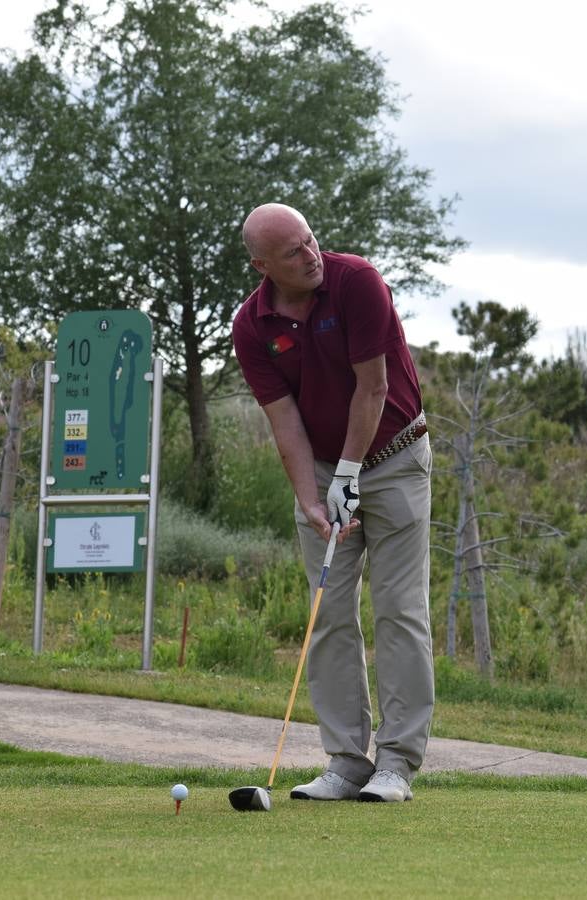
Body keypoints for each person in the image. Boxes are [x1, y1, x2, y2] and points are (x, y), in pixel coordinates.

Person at [231, 203, 434, 803]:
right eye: (293, 252)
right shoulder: (252, 325)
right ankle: (346, 762)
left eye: (311, 240)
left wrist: (349, 473)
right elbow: (283, 420)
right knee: (329, 615)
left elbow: (372, 387)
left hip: (395, 457)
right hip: (322, 470)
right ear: (262, 265)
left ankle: (396, 763)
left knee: (399, 610)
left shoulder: (357, 282)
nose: (311, 255)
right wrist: (312, 499)